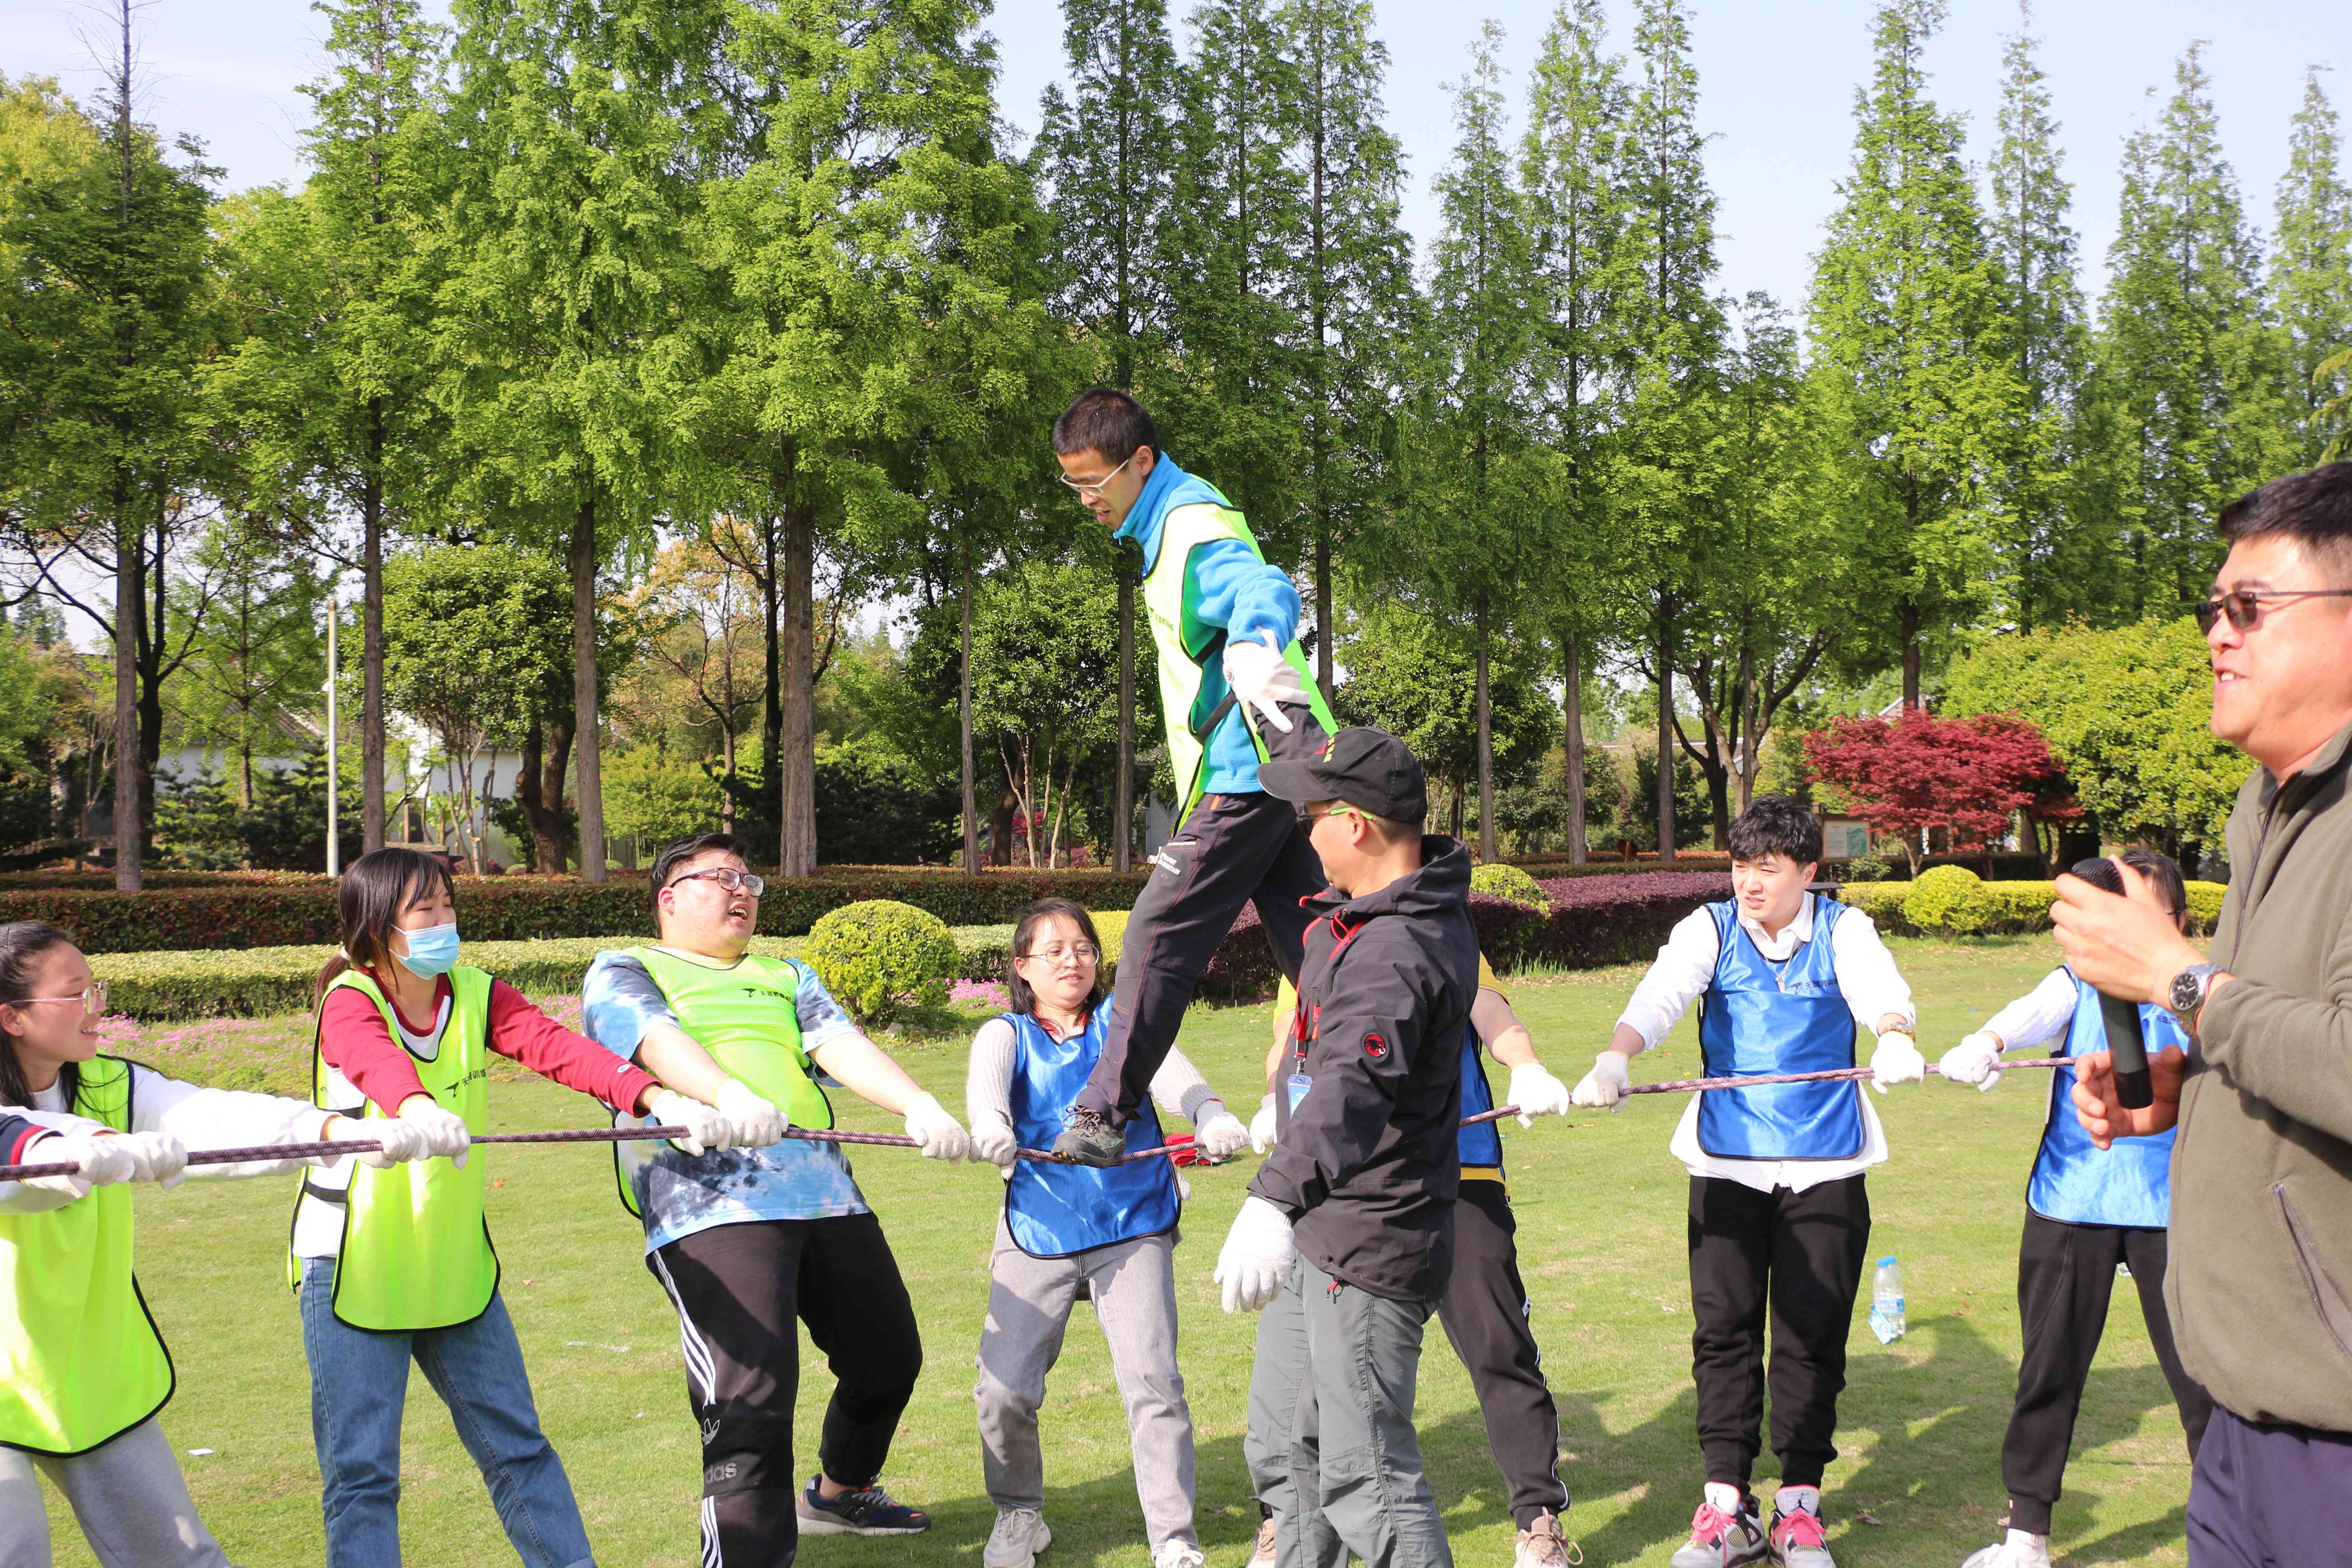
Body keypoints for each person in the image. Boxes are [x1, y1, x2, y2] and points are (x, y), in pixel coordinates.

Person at [2056, 461, 2352, 1568]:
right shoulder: (2270, 808)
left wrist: (2175, 977)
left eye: (2249, 609)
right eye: (2211, 611)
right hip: (2238, 1420)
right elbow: (2287, 1026)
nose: (2216, 637)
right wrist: (2193, 1084)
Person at [296, 846, 746, 1568]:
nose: (444, 921)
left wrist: (660, 1100)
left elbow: (558, 1049)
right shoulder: (351, 998)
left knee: (518, 1448)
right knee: (363, 1475)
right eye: (425, 910)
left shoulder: (473, 991)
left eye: (448, 904)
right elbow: (371, 1059)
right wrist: (413, 1105)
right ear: (379, 928)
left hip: (454, 1265)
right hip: (352, 1265)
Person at [583, 831, 973, 1568]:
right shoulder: (627, 967)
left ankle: (839, 1494)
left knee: (887, 1359)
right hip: (712, 1204)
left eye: (749, 880)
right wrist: (726, 1093)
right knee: (752, 1397)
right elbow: (653, 1042)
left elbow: (839, 1044)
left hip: (824, 1192)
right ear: (669, 896)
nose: (741, 891)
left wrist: (920, 1105)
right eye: (720, 878)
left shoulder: (786, 972)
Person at [0, 918, 436, 1568]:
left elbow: (206, 1115)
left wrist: (333, 1134)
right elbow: (19, 1146)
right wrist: (85, 1149)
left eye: (98, 989)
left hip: (85, 1375)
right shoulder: (54, 1121)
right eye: (76, 994)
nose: (98, 1009)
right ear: (12, 1017)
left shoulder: (111, 1086)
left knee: (183, 1558)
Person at [1572, 794, 1921, 1568]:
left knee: (1811, 1331)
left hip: (1827, 1160)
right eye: (1739, 866)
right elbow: (1662, 995)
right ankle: (1726, 1507)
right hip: (1726, 1161)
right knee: (1724, 1331)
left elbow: (1877, 991)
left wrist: (1894, 1035)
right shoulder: (1710, 927)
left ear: (1808, 871)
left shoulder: (1846, 928)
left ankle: (1799, 1506)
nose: (1749, 883)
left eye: (1767, 868)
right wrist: (1617, 1054)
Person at [1048, 387, 1341, 1165]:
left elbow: (1264, 587)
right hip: (1281, 763)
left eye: (1093, 484)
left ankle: (1104, 1113)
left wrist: (1253, 641)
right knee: (1322, 941)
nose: (1084, 501)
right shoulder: (1167, 523)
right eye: (1071, 484)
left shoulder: (1190, 525)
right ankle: (1362, 1081)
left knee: (1157, 930)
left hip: (1248, 769)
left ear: (1140, 463)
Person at [1215, 726, 1477, 1568]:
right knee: (1289, 1456)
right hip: (1323, 1229)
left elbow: (1352, 1097)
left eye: (1312, 814)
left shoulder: (1396, 949)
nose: (1305, 831)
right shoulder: (1360, 927)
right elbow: (1321, 1073)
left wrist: (1271, 1194)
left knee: (1365, 1476)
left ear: (1357, 825)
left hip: (1368, 1243)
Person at [1935, 849, 2213, 1568]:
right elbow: (2033, 1014)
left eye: (2143, 915)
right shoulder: (2075, 981)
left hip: (2174, 1209)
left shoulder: (2201, 993)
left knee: (2205, 1381)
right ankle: (2026, 1537)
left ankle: (2232, 1527)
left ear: (2178, 923)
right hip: (2072, 1199)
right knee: (2048, 1371)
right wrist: (1987, 1041)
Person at [1251, 958, 1578, 1568]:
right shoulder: (1308, 943)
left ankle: (1538, 1520)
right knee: (1307, 1372)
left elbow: (1491, 1012)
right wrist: (1276, 1104)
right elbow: (1288, 1046)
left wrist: (1526, 1065)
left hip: (1458, 1172)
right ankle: (1287, 1527)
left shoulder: (1433, 924)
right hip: (1345, 1189)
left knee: (1496, 1345)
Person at [965, 899, 1252, 1568]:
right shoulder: (1005, 1035)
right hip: (1038, 1224)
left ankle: (1174, 1539)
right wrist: (993, 1131)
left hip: (1132, 1219)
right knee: (1003, 1389)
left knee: (1153, 1381)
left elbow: (1181, 1084)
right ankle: (1018, 1513)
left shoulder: (1128, 1029)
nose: (1072, 959)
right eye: (1054, 950)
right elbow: (987, 1101)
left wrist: (1210, 1115)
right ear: (1022, 967)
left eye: (1084, 948)